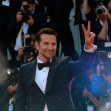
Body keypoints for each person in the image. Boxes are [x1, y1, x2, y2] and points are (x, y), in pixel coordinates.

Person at [14, 21, 96, 111]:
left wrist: (88, 48)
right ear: (37, 45)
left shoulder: (64, 64)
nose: (50, 48)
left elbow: (83, 66)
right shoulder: (25, 69)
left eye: (53, 44)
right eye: (46, 43)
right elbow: (19, 104)